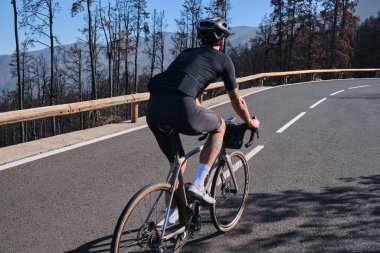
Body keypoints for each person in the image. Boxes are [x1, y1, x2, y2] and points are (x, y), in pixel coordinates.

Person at [146, 17, 260, 211]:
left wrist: (201, 113)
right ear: (222, 40)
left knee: (177, 164)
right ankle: (199, 185)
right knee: (220, 126)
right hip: (182, 108)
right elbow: (237, 101)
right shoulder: (224, 60)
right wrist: (250, 121)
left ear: (201, 38)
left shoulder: (186, 54)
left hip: (153, 107)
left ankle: (170, 220)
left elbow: (192, 92)